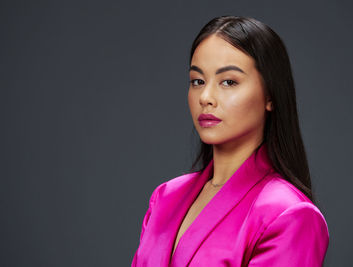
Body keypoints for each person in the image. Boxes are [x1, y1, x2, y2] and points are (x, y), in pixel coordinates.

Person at [131, 15, 329, 267]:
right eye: (197, 81)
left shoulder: (289, 214)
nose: (206, 96)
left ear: (271, 95)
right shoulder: (165, 198)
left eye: (228, 81)